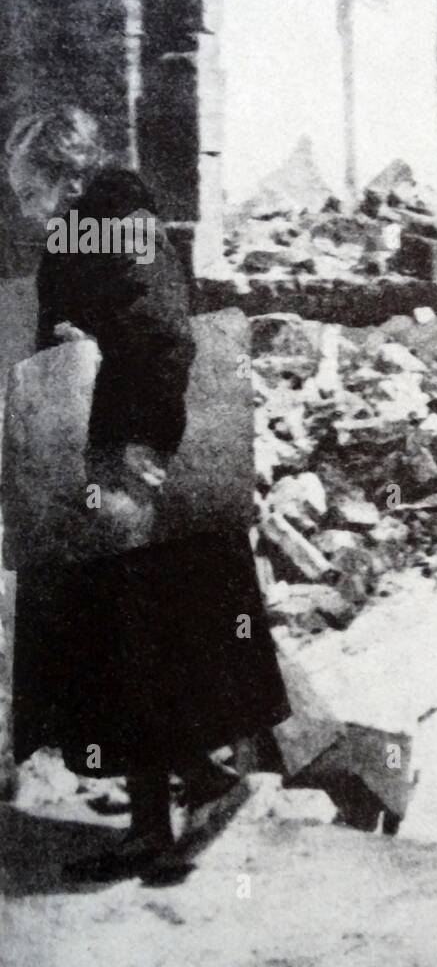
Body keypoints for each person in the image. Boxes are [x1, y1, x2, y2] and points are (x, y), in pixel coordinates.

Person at [5, 105, 290, 880]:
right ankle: (178, 798)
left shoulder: (113, 217)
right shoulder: (90, 223)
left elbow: (161, 332)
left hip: (130, 459)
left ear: (66, 177)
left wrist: (137, 446)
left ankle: (173, 811)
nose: (24, 209)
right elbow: (107, 322)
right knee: (132, 639)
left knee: (136, 639)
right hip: (103, 453)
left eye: (29, 191)